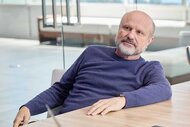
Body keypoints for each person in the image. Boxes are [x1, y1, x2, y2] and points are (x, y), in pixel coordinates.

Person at [13, 10, 172, 127]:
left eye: (139, 32)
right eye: (127, 28)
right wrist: (29, 107)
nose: (130, 35)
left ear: (149, 40)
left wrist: (122, 100)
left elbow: (163, 89)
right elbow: (61, 89)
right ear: (118, 30)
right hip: (64, 122)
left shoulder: (149, 68)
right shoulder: (92, 53)